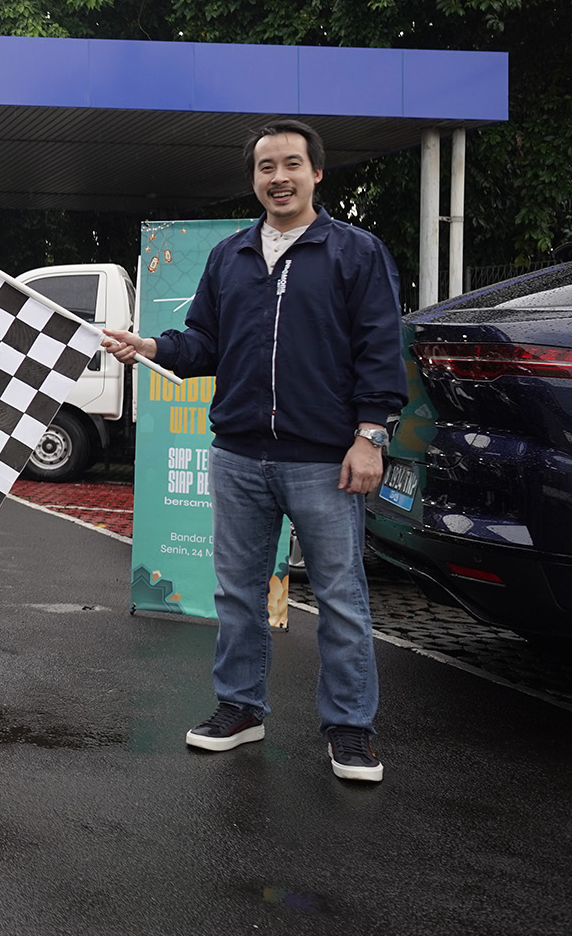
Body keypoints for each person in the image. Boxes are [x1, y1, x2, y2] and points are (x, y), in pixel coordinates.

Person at [99, 118, 404, 784]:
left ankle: (350, 730)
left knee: (341, 598)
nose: (279, 178)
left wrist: (370, 436)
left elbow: (381, 350)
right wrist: (151, 346)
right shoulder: (230, 256)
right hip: (237, 454)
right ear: (255, 179)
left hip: (325, 459)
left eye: (292, 164)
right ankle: (240, 709)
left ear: (316, 173)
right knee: (237, 593)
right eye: (266, 167)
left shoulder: (355, 252)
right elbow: (202, 343)